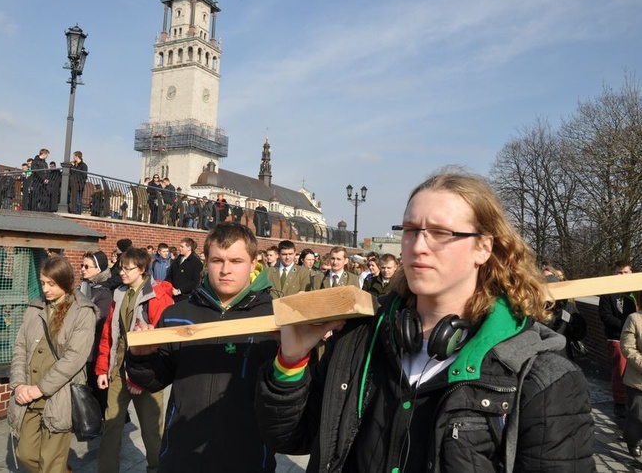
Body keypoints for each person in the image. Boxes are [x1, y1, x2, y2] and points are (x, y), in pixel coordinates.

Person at [255, 172, 595, 472]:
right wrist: (290, 363)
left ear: (483, 248)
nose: (418, 246)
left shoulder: (541, 378)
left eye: (440, 233)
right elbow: (292, 438)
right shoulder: (359, 339)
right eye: (411, 230)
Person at [126, 223, 280, 473]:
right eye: (217, 260)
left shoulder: (274, 319)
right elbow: (154, 381)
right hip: (182, 455)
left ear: (254, 263)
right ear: (206, 261)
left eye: (236, 261)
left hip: (247, 458)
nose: (226, 270)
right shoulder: (178, 314)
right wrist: (142, 359)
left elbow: (288, 396)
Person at [8, 256, 97, 472]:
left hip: (60, 394)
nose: (45, 289)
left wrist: (40, 388)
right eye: (42, 282)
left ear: (65, 282)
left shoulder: (83, 311)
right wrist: (19, 384)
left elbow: (74, 358)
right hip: (28, 391)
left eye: (51, 284)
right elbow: (20, 347)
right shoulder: (35, 307)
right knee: (25, 454)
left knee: (50, 462)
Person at [95, 248, 172, 473]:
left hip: (148, 373)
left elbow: (165, 342)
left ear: (141, 270)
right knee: (111, 426)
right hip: (118, 368)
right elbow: (109, 333)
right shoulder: (119, 292)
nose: (122, 272)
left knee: (151, 433)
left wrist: (141, 379)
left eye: (127, 268)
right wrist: (102, 369)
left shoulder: (157, 296)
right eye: (121, 267)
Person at [599, 260, 637, 417]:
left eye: (626, 272)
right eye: (619, 272)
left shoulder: (637, 292)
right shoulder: (608, 293)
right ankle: (620, 403)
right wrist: (627, 327)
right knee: (620, 371)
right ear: (614, 274)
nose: (623, 275)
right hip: (617, 338)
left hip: (637, 338)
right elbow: (605, 316)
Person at [78, 251, 113, 412]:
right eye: (81, 265)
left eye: (87, 266)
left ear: (98, 270)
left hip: (94, 349)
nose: (82, 269)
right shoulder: (82, 288)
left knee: (97, 389)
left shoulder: (103, 293)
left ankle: (107, 419)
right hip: (80, 346)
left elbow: (101, 320)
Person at [622, 310, 642, 458]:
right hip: (638, 380)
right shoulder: (634, 318)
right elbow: (627, 347)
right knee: (637, 415)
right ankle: (633, 441)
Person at [169, 238, 203, 303]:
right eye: (180, 246)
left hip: (186, 298)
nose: (179, 248)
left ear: (189, 248)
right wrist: (169, 286)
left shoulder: (196, 263)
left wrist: (179, 291)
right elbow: (170, 275)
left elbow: (195, 282)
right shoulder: (177, 260)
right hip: (172, 295)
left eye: (182, 246)